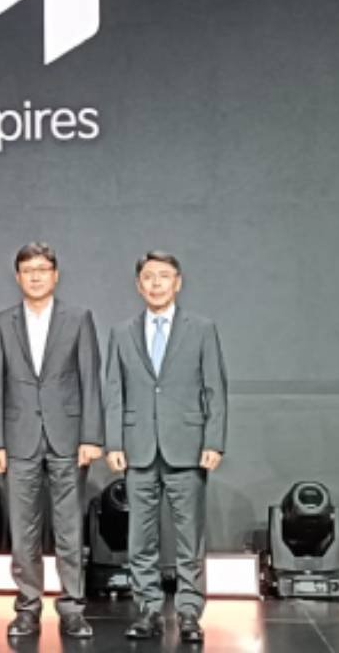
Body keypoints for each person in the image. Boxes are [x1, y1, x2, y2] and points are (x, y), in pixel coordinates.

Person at [104, 251, 228, 644]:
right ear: (138, 285)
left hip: (187, 446)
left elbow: (215, 388)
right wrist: (113, 441)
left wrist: (213, 441)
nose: (155, 283)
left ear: (178, 282)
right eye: (148, 277)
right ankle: (149, 609)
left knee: (189, 537)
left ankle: (189, 611)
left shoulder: (201, 329)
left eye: (163, 276)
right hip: (138, 446)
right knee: (140, 537)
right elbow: (113, 391)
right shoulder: (122, 332)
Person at [0, 242, 102, 639]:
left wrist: (91, 436)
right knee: (23, 531)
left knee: (69, 529)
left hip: (67, 437)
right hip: (19, 439)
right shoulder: (2, 323)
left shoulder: (78, 318)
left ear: (55, 275)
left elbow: (90, 380)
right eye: (28, 270)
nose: (35, 276)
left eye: (42, 269)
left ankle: (72, 608)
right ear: (18, 277)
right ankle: (27, 608)